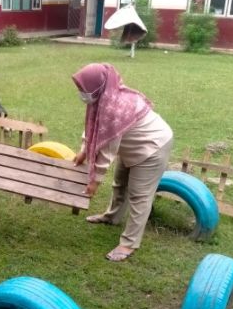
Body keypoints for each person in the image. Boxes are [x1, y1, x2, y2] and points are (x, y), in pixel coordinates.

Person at [72, 63, 173, 262]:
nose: (81, 93)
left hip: (153, 148)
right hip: (134, 146)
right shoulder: (104, 98)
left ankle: (128, 243)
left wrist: (94, 182)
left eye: (83, 89)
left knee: (139, 196)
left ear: (97, 87)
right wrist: (84, 149)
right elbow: (93, 126)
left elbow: (107, 151)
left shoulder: (115, 109)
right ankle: (112, 217)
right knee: (120, 184)